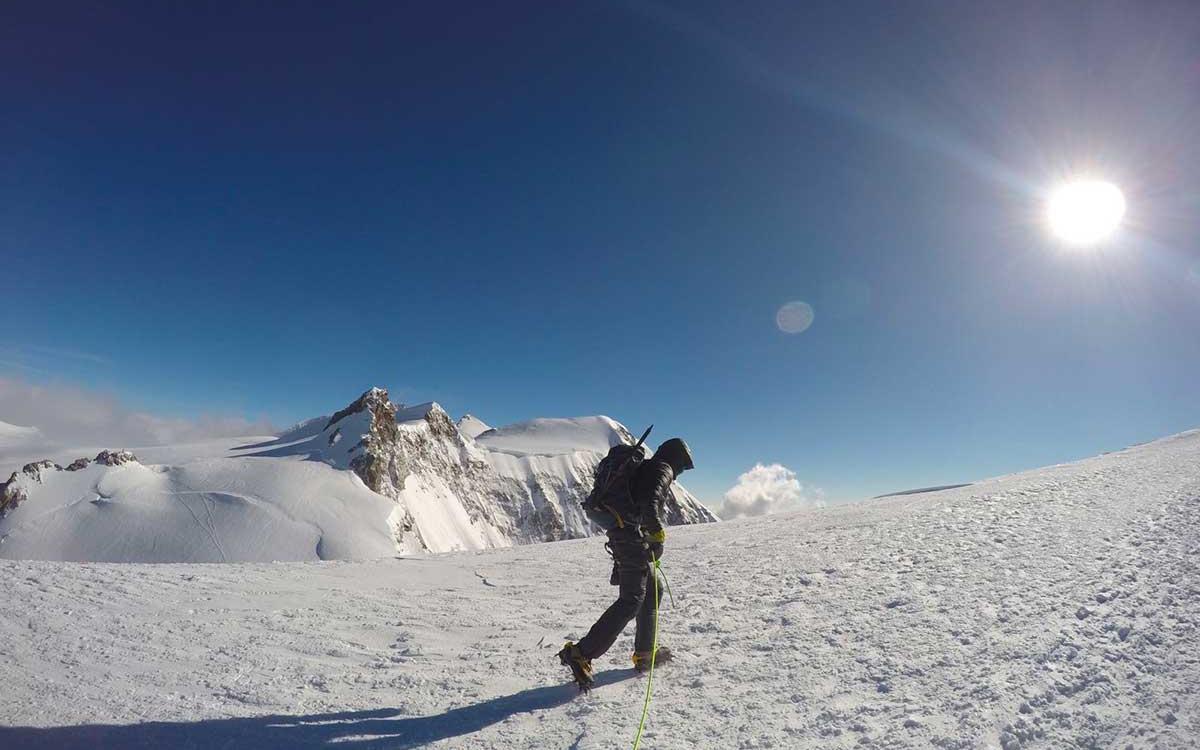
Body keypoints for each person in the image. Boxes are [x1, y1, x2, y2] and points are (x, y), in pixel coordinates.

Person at [558, 437, 694, 689]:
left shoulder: (647, 468)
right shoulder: (662, 469)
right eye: (683, 467)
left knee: (653, 590)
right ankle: (581, 653)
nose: (680, 474)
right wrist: (657, 536)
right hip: (629, 537)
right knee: (632, 599)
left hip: (624, 533)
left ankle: (645, 653)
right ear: (676, 458)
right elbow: (649, 505)